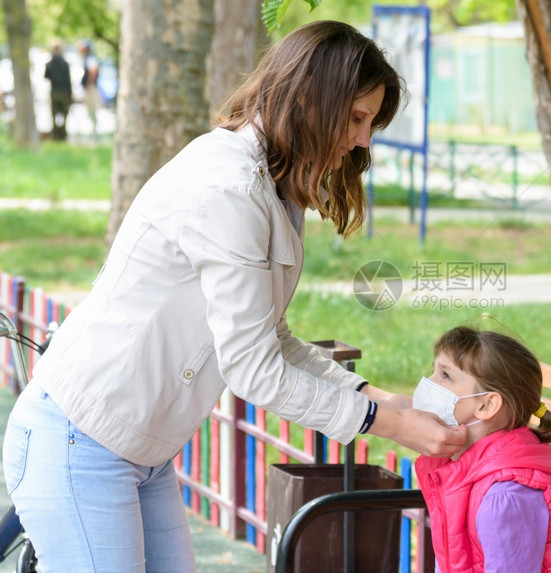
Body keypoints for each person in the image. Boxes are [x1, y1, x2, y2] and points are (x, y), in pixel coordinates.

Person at [3, 21, 465, 572]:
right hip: (81, 441)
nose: (363, 139)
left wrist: (376, 396)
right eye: (358, 117)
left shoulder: (274, 182)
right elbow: (253, 371)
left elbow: (269, 336)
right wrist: (385, 423)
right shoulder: (230, 187)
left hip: (143, 456)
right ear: (310, 100)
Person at [414, 326, 551, 573]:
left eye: (445, 376)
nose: (429, 383)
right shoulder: (467, 469)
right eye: (434, 371)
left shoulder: (506, 498)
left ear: (487, 405)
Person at [44, 39, 72, 141]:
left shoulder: (50, 63)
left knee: (55, 113)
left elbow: (46, 76)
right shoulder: (64, 63)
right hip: (64, 91)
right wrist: (70, 94)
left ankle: (56, 135)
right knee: (64, 114)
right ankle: (62, 134)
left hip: (55, 91)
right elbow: (68, 80)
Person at [78, 39, 99, 137]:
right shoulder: (86, 58)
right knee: (89, 109)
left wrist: (88, 83)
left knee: (92, 109)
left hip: (91, 87)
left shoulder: (90, 58)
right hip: (89, 87)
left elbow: (93, 71)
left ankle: (94, 131)